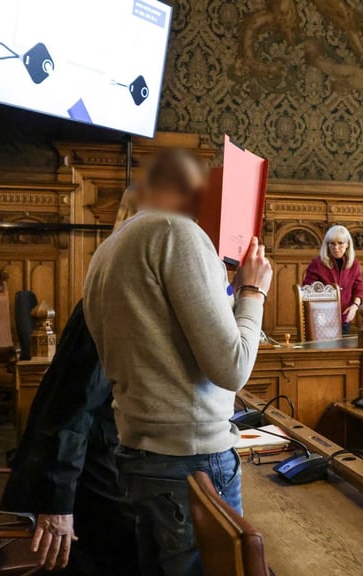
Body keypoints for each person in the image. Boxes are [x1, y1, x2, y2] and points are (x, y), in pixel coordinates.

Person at [83, 149, 271, 576]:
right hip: (191, 459)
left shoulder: (107, 250)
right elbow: (232, 367)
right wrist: (253, 293)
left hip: (138, 453)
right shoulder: (177, 233)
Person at [0, 187, 141, 574]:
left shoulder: (118, 280)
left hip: (98, 461)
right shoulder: (117, 293)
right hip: (93, 480)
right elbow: (74, 405)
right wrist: (58, 503)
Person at [303, 225, 363, 335]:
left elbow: (358, 290)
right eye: (332, 243)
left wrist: (354, 307)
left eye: (340, 243)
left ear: (347, 244)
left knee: (343, 349)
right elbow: (306, 290)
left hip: (344, 317)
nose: (336, 247)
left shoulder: (354, 264)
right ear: (327, 245)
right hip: (321, 318)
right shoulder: (317, 263)